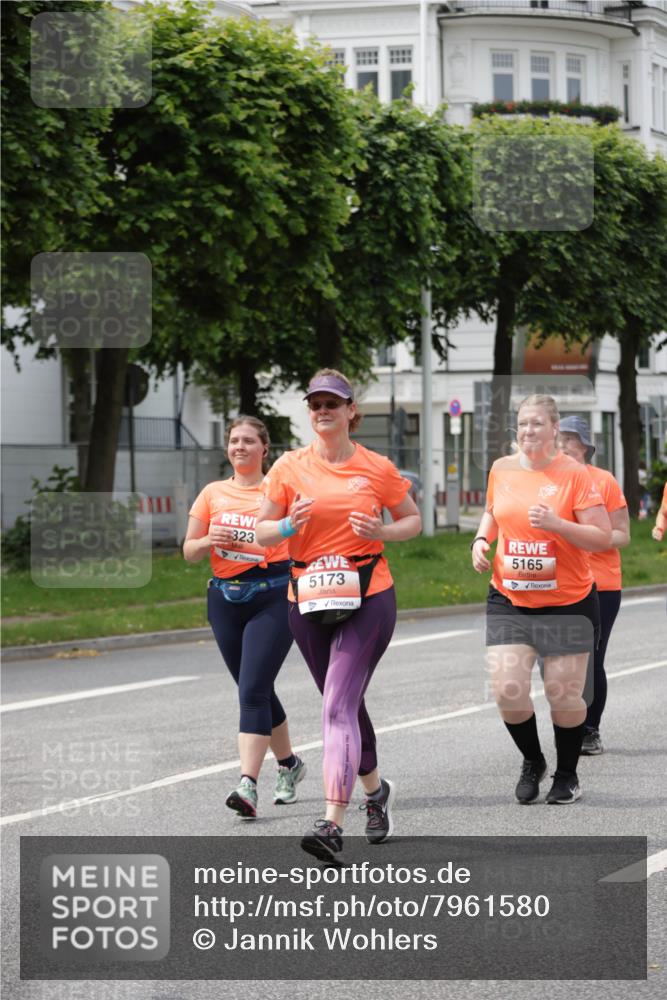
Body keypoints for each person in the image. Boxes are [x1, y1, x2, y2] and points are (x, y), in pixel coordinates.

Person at [255, 369, 421, 860]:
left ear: (352, 411)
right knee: (344, 704)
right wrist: (288, 525)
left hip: (368, 595)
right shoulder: (288, 466)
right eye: (316, 404)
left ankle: (331, 822)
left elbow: (412, 520)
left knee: (334, 707)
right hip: (307, 597)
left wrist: (381, 531)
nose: (324, 411)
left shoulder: (376, 467)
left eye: (333, 403)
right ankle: (376, 792)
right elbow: (262, 532)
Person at [471, 395, 612, 805]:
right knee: (507, 689)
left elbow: (602, 536)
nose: (528, 431)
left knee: (562, 694)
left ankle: (567, 775)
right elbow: (493, 511)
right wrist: (481, 539)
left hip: (568, 602)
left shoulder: (574, 474)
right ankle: (533, 761)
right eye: (522, 424)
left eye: (536, 423)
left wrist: (557, 524)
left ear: (554, 428)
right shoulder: (502, 468)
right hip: (509, 598)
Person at [183, 416, 304, 820]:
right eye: (234, 440)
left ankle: (247, 784)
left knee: (252, 690)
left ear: (264, 448)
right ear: (227, 448)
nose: (240, 447)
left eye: (249, 441)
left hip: (273, 596)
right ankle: (289, 765)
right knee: (257, 688)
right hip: (224, 600)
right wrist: (207, 540)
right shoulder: (212, 493)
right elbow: (188, 551)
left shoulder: (279, 491)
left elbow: (303, 534)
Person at [558, 417, 630, 756]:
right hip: (559, 582)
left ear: (586, 446)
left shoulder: (604, 481)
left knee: (591, 658)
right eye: (559, 439)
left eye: (571, 440)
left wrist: (587, 537)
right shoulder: (549, 482)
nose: (563, 446)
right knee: (561, 663)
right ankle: (570, 723)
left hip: (601, 584)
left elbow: (623, 535)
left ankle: (589, 730)